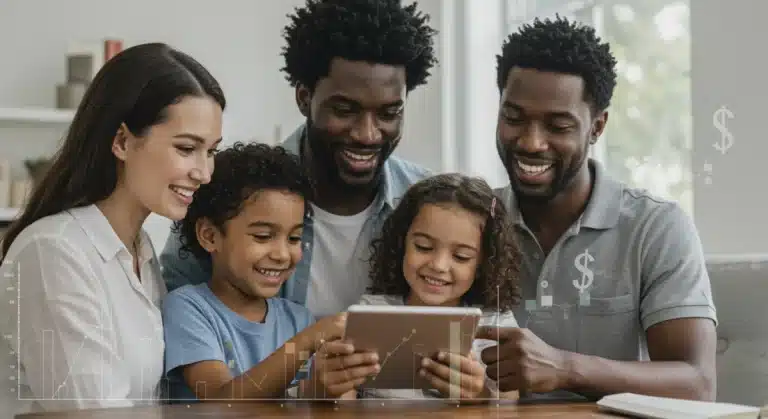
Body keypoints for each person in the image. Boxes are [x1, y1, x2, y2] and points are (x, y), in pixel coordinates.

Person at [475, 16, 718, 401]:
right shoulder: (473, 220)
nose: (531, 142)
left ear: (597, 127)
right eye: (514, 118)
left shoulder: (654, 228)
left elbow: (697, 385)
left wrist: (565, 368)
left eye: (558, 126)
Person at [160, 0, 437, 320]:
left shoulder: (428, 202)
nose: (367, 134)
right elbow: (177, 312)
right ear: (304, 98)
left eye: (389, 114)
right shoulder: (226, 190)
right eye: (344, 110)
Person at [0, 42, 225, 414]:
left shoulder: (141, 251)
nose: (204, 173)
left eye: (211, 151)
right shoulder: (53, 252)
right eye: (187, 148)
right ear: (122, 141)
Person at [162, 142, 357, 402]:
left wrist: (331, 388)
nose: (282, 254)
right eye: (263, 236)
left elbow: (317, 403)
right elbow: (222, 403)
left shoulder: (298, 319)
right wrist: (307, 341)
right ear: (210, 236)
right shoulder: (188, 308)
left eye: (294, 238)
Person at [313, 173, 522, 401]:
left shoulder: (496, 323)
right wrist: (331, 383)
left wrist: (478, 395)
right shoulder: (371, 313)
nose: (438, 265)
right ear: (401, 243)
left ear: (483, 264)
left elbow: (510, 406)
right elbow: (342, 401)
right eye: (423, 247)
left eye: (461, 257)